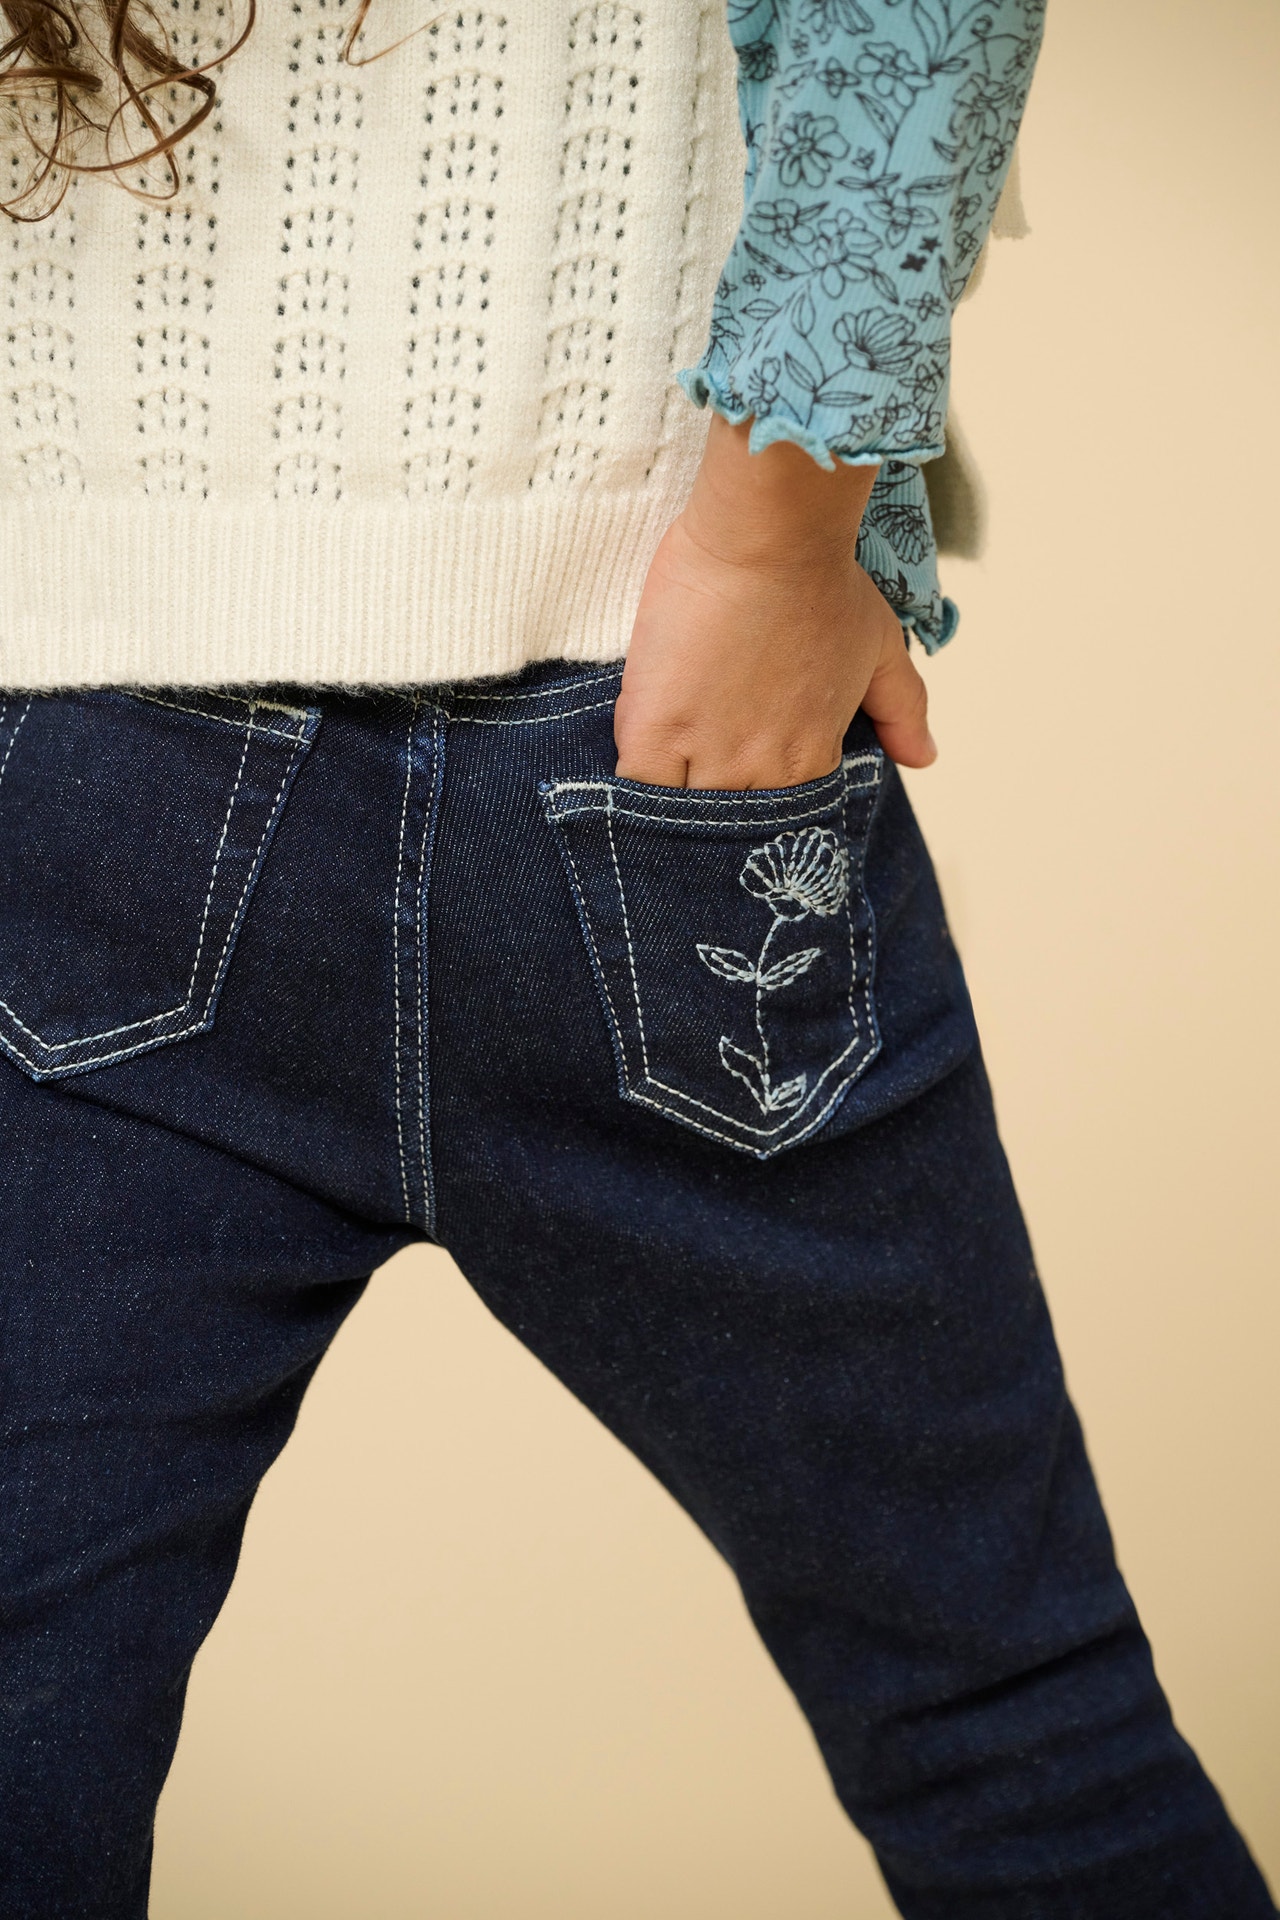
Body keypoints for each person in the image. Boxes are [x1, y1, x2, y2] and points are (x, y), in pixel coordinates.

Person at [0, 0, 1273, 1914]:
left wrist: (775, 550)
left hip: (139, 746)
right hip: (551, 765)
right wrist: (776, 544)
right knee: (1006, 1724)